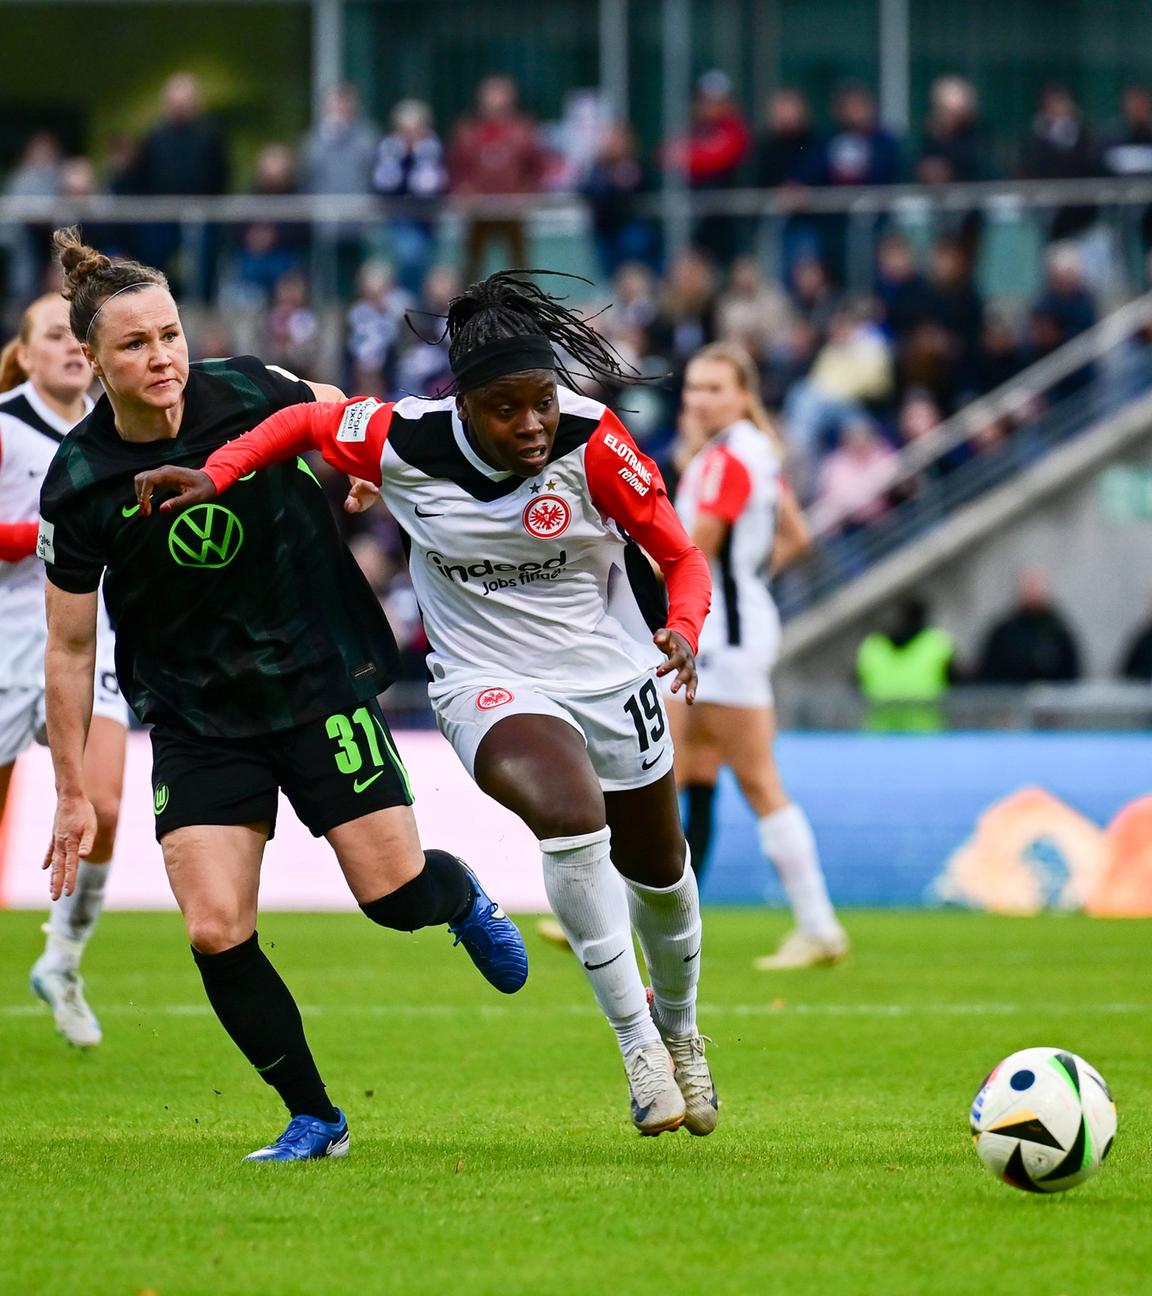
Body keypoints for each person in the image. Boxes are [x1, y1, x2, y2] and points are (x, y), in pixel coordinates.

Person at [134, 270, 721, 1139]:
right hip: (487, 679)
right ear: (462, 404)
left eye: (543, 403)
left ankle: (681, 1033)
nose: (531, 424)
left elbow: (681, 557)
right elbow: (302, 421)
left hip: (611, 671)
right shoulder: (401, 436)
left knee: (662, 875)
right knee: (568, 814)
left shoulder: (597, 444)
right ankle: (637, 1048)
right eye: (507, 408)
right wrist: (219, 477)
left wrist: (683, 625)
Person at [37, 228, 528, 1164]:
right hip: (196, 717)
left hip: (315, 683)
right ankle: (315, 1117)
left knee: (393, 897)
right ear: (94, 361)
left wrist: (353, 468)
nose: (163, 357)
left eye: (171, 335)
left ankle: (459, 898)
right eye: (135, 345)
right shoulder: (80, 481)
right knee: (215, 925)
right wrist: (69, 787)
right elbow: (68, 647)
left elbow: (339, 407)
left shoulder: (252, 388)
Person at [668, 342, 848, 970]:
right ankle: (626, 908)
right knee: (665, 769)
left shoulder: (725, 459)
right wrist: (749, 585)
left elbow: (691, 549)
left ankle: (820, 925)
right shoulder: (746, 453)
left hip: (719, 641)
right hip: (726, 633)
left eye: (715, 388)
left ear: (744, 394)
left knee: (747, 780)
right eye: (693, 387)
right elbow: (792, 536)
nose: (700, 399)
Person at [0, 293, 129, 1047]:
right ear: (27, 352)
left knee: (105, 807)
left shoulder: (120, 425)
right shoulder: (7, 424)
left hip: (88, 633)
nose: (72, 347)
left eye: (80, 334)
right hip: (8, 632)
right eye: (55, 336)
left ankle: (63, 958)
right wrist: (51, 533)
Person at [448, 77, 544, 284]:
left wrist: (528, 196)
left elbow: (535, 168)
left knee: (520, 265)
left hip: (512, 209)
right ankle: (468, 311)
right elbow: (456, 169)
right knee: (472, 265)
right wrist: (463, 192)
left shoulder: (523, 130)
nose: (494, 104)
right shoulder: (468, 131)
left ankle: (526, 309)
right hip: (479, 210)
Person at [977, 571, 1082, 684]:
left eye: (1037, 588)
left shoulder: (1059, 633)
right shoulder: (1004, 632)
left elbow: (1072, 674)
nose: (1033, 593)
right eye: (1030, 588)